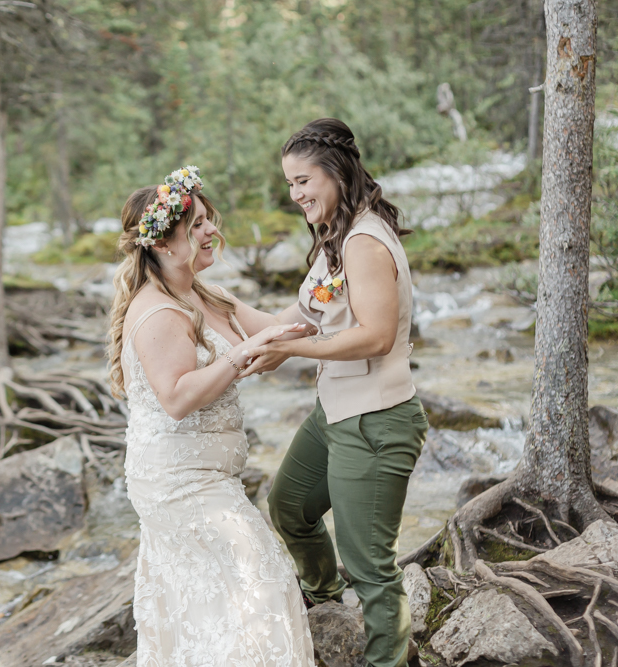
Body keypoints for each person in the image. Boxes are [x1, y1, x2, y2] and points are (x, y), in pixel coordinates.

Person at [237, 118, 428, 667]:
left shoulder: (365, 240)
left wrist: (290, 352)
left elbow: (375, 336)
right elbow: (292, 320)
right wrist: (210, 301)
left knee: (370, 565)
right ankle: (326, 608)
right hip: (336, 413)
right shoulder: (335, 241)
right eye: (290, 185)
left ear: (336, 173)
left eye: (303, 181)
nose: (296, 195)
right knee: (290, 506)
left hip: (376, 421)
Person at [107, 166, 314, 667]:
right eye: (197, 224)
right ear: (162, 243)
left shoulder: (204, 295)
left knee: (210, 603)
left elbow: (278, 328)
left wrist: (328, 280)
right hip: (176, 482)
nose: (210, 231)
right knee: (260, 576)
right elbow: (177, 397)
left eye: (208, 220)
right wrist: (242, 356)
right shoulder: (158, 313)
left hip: (208, 476)